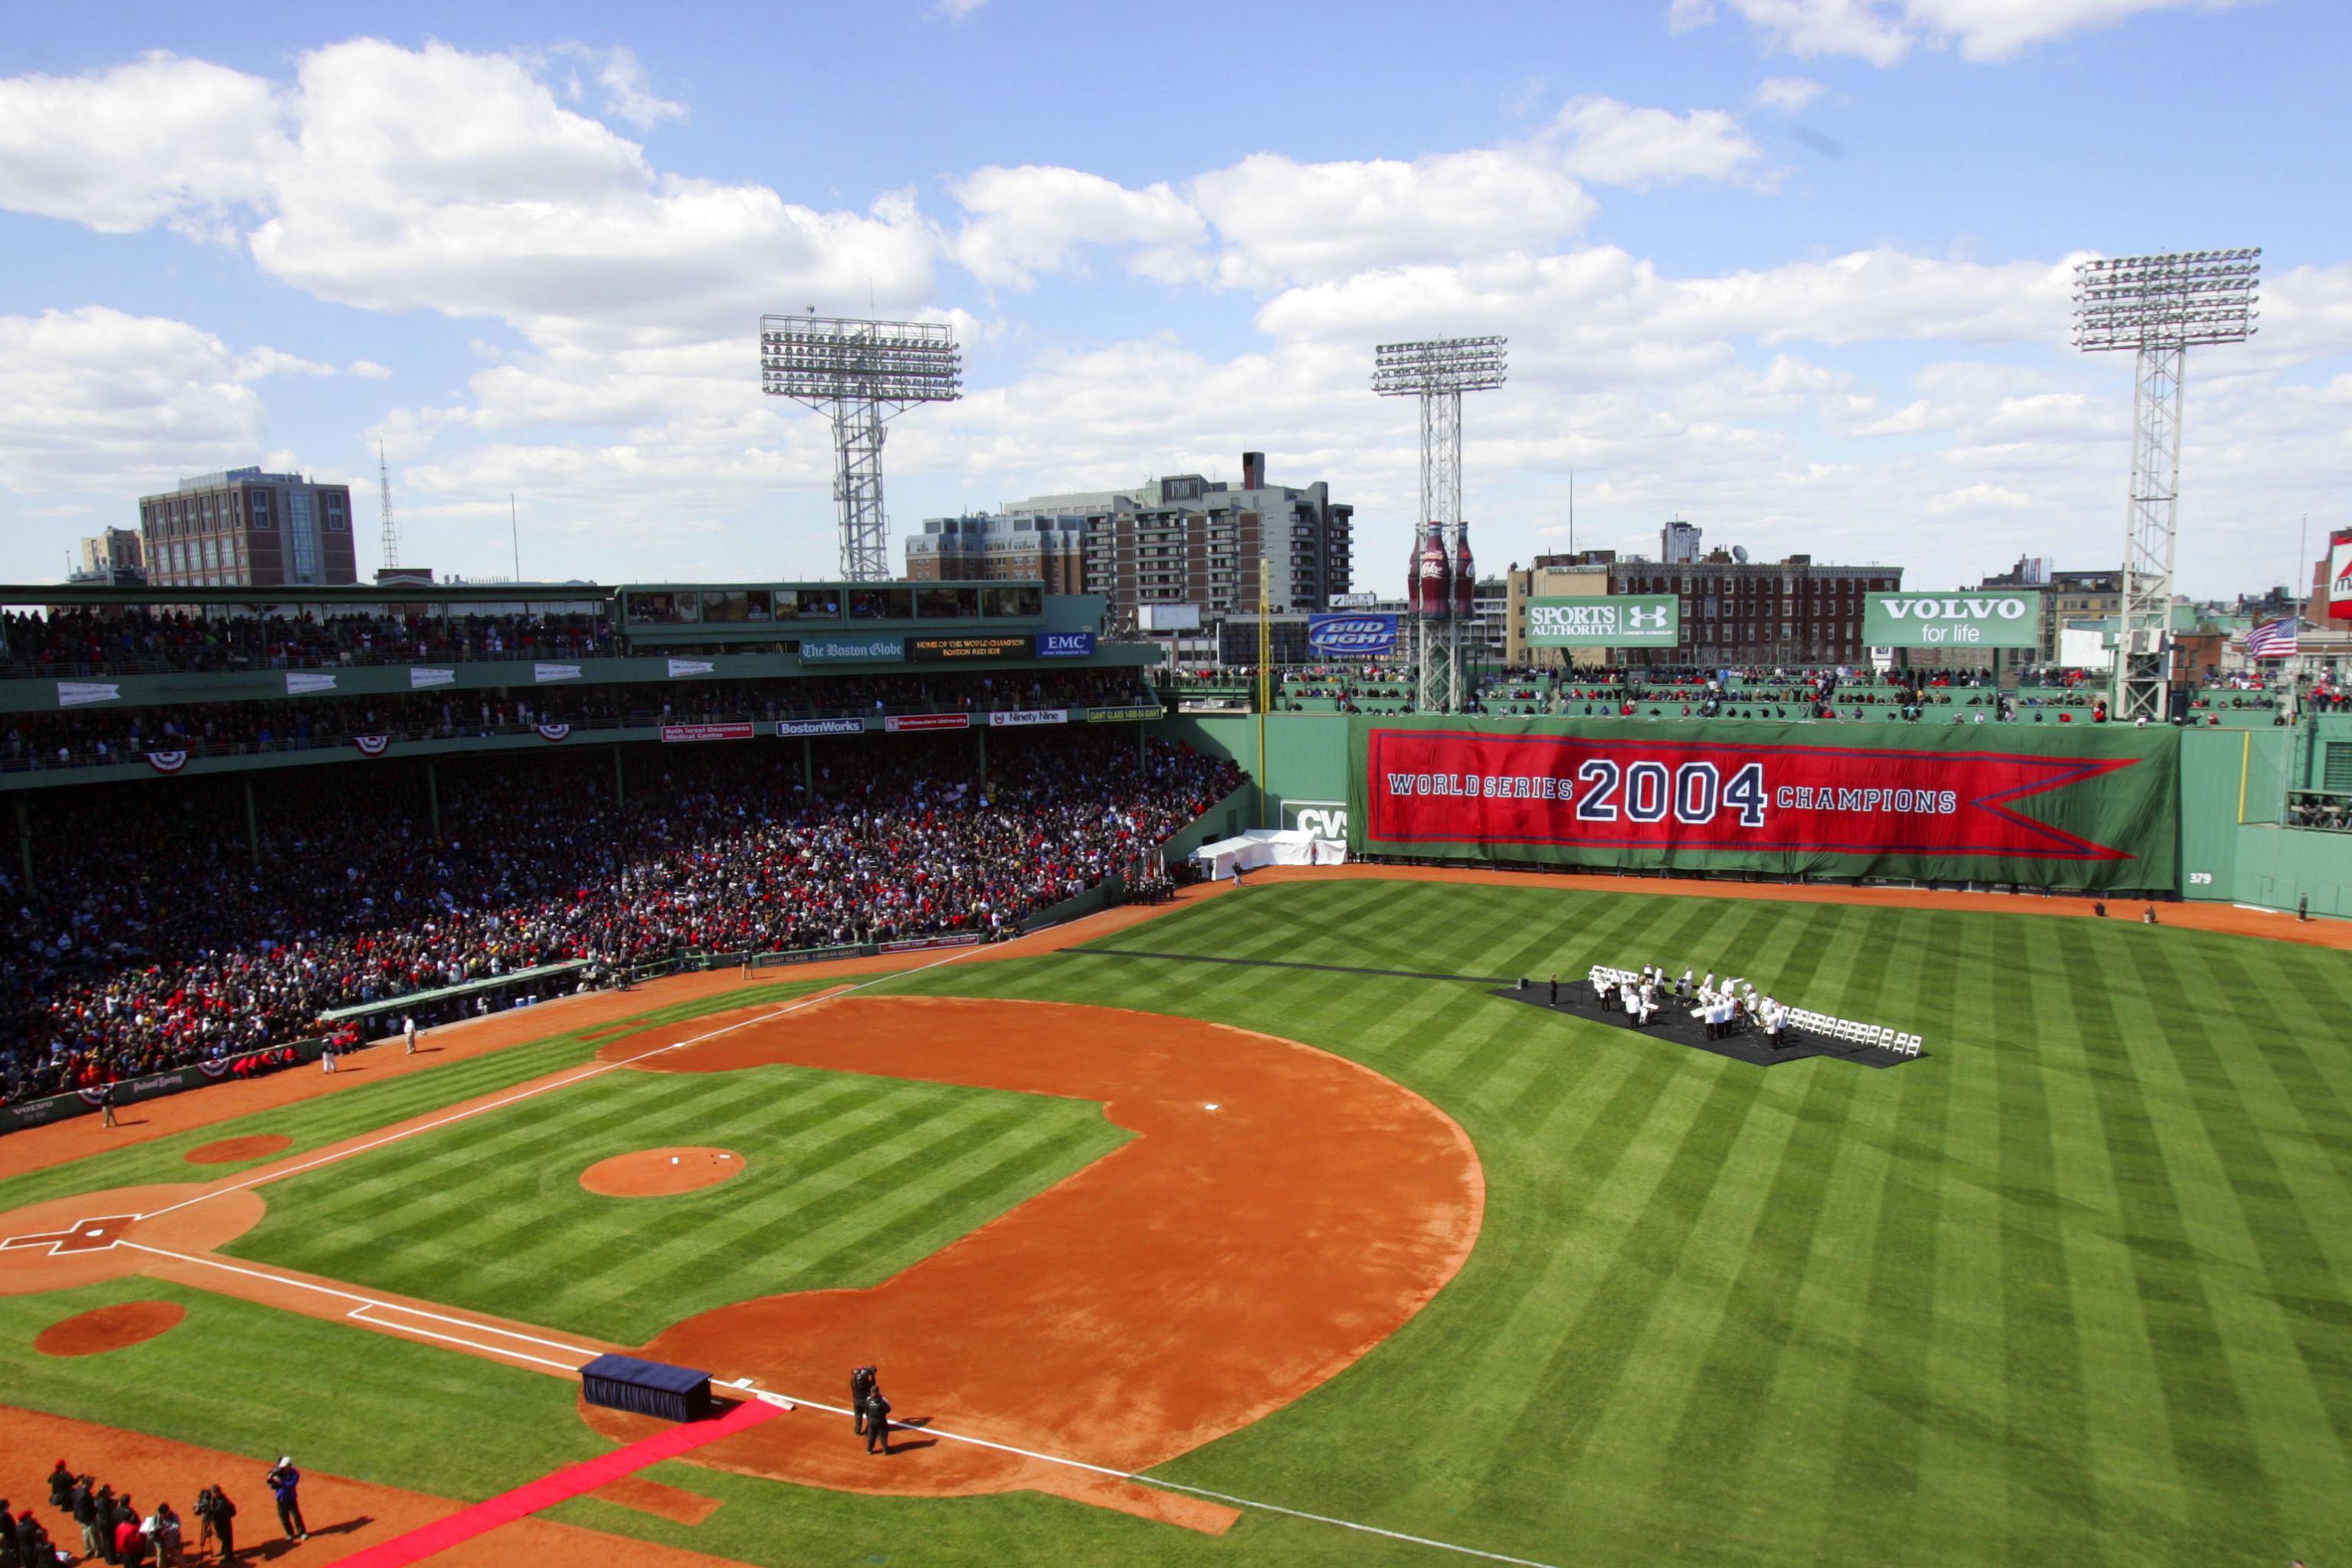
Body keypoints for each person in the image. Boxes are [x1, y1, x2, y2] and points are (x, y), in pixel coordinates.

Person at [264, 1459, 305, 1543]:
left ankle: (302, 1533)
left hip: (291, 1498)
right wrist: (271, 1480)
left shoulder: (295, 1474)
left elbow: (291, 1484)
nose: (283, 1469)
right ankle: (290, 1534)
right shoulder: (279, 1472)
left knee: (296, 1516)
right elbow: (273, 1486)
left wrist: (281, 1482)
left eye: (285, 1467)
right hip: (280, 1499)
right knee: (283, 1517)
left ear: (289, 1466)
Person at [149, 1501, 184, 1568]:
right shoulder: (157, 1516)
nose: (161, 1515)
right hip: (160, 1542)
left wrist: (166, 1531)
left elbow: (176, 1528)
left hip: (172, 1542)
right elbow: (152, 1528)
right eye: (160, 1514)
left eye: (163, 1514)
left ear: (167, 1512)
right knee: (160, 1559)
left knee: (178, 1559)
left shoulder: (174, 1516)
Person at [864, 1389, 893, 1455]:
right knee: (883, 1435)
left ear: (871, 1392)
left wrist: (869, 1419)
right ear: (878, 1392)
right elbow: (888, 1410)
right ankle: (885, 1450)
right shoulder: (882, 1400)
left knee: (871, 1435)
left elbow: (866, 1410)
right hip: (881, 1421)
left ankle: (869, 1450)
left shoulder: (868, 1400)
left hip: (871, 1421)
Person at [849, 1365, 877, 1436]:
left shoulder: (854, 1383)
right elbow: (873, 1383)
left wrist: (857, 1373)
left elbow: (854, 1378)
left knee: (858, 1415)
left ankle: (857, 1430)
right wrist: (872, 1375)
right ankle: (868, 1431)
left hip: (856, 1401)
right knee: (869, 1416)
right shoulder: (867, 1383)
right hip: (865, 1402)